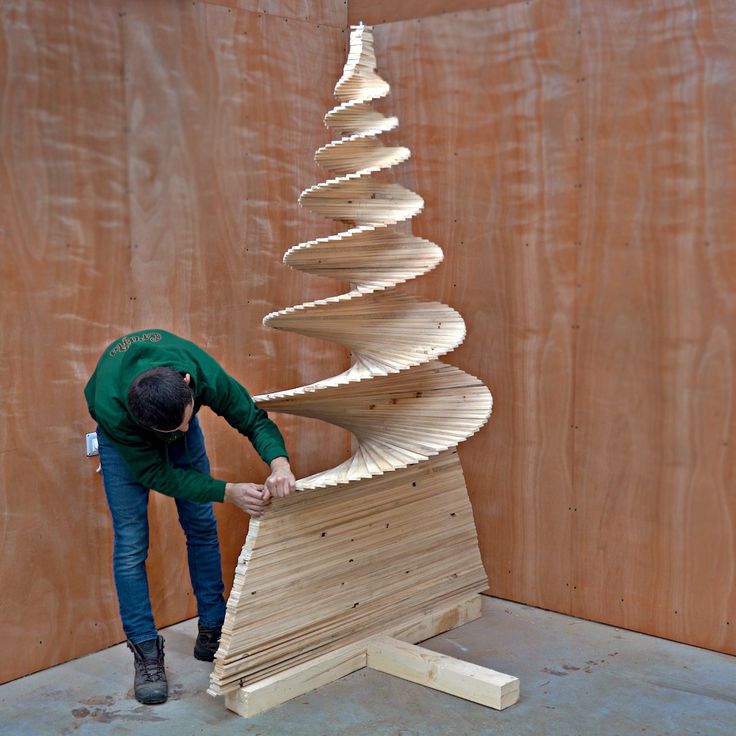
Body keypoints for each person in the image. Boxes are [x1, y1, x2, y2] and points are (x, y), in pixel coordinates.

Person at [84, 329, 295, 705]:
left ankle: (213, 628)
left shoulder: (196, 370)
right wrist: (225, 491)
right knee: (132, 544)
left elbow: (252, 418)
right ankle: (146, 652)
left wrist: (280, 464)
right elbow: (155, 475)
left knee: (201, 524)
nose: (184, 431)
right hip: (124, 444)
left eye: (186, 420)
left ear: (186, 384)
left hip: (166, 408)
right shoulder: (114, 410)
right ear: (140, 417)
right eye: (176, 429)